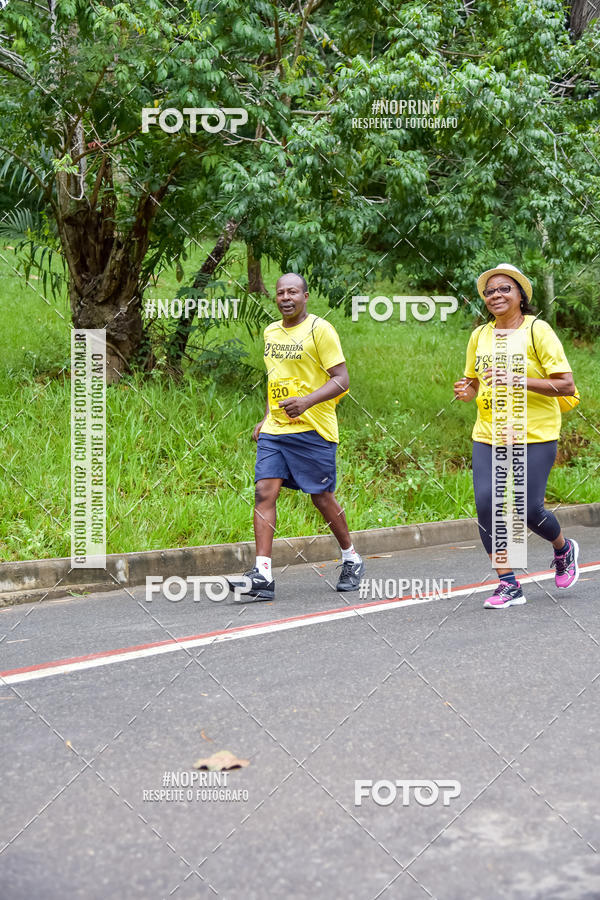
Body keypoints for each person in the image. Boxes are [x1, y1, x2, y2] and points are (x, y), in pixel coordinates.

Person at [228, 272, 364, 601]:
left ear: (305, 296)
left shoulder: (320, 329)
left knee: (321, 497)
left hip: (314, 426)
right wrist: (265, 417)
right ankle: (262, 574)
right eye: (280, 293)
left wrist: (306, 402)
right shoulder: (271, 331)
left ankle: (351, 557)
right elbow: (275, 378)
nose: (285, 297)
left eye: (292, 292)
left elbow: (342, 379)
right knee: (264, 492)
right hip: (278, 428)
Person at [454, 263, 580, 609]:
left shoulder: (538, 330)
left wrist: (516, 378)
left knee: (528, 509)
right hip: (489, 433)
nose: (495, 295)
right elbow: (474, 380)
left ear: (520, 296)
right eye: (489, 291)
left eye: (504, 289)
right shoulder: (479, 335)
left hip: (534, 433)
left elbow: (566, 384)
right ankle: (508, 583)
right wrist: (467, 391)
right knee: (487, 504)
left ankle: (562, 548)